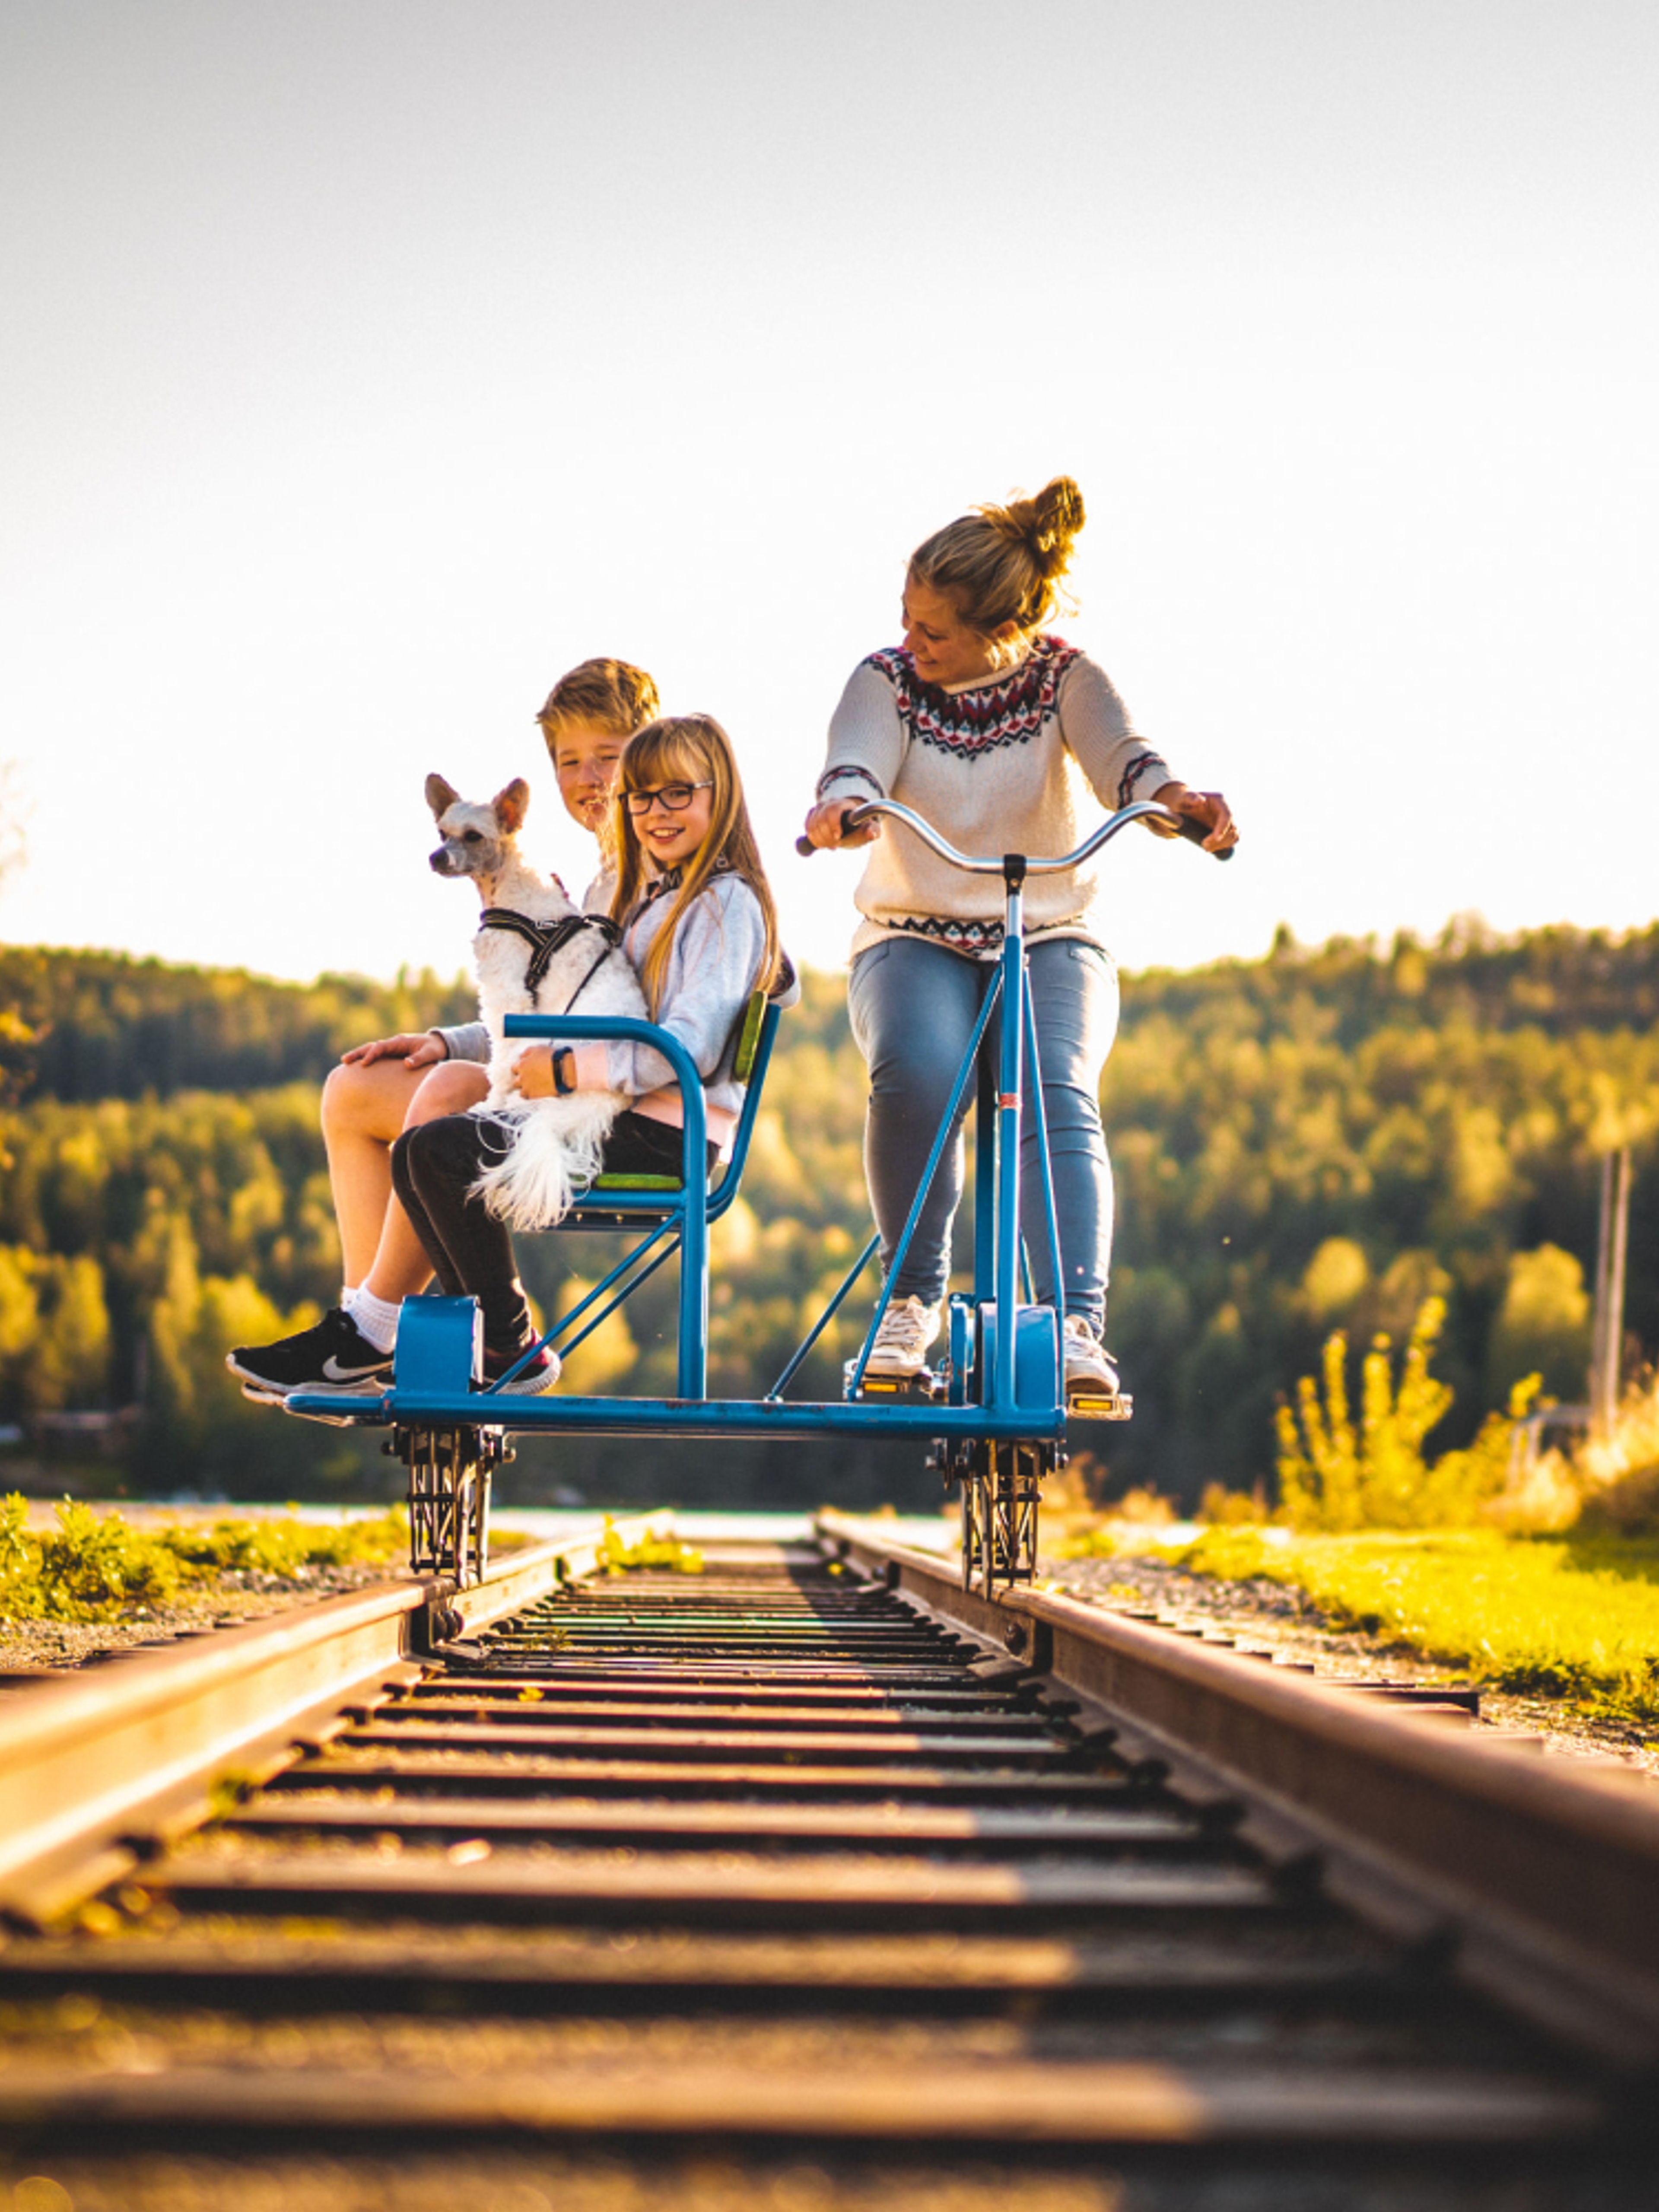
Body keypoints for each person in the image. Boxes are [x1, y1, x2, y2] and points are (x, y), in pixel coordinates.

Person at [800, 477, 1237, 1405]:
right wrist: (843, 804)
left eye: (935, 632)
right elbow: (856, 756)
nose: (911, 644)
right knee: (916, 1074)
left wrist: (1175, 804)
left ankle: (1074, 1325)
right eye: (907, 621)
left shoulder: (1066, 679)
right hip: (912, 933)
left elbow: (1129, 763)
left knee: (1054, 1086)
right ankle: (911, 1301)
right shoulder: (886, 680)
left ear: (1003, 631)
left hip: (1048, 929)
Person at [228, 657, 660, 1401]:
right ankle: (368, 1326)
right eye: (569, 761)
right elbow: (552, 1011)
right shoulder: (596, 878)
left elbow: (626, 1036)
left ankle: (375, 1331)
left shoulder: (660, 875)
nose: (589, 778)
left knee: (447, 1094)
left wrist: (472, 1061)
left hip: (613, 1105)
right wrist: (448, 1040)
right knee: (354, 1092)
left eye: (609, 757)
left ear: (655, 751)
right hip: (551, 1074)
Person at [388, 713, 794, 1394]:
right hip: (620, 1108)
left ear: (719, 796)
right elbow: (571, 1005)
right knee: (416, 1153)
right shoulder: (650, 898)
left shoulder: (726, 905)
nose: (655, 813)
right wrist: (453, 1044)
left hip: (669, 1131)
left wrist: (567, 1071)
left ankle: (507, 1343)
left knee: (439, 1152)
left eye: (676, 794)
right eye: (640, 797)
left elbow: (688, 1049)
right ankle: (489, 1342)